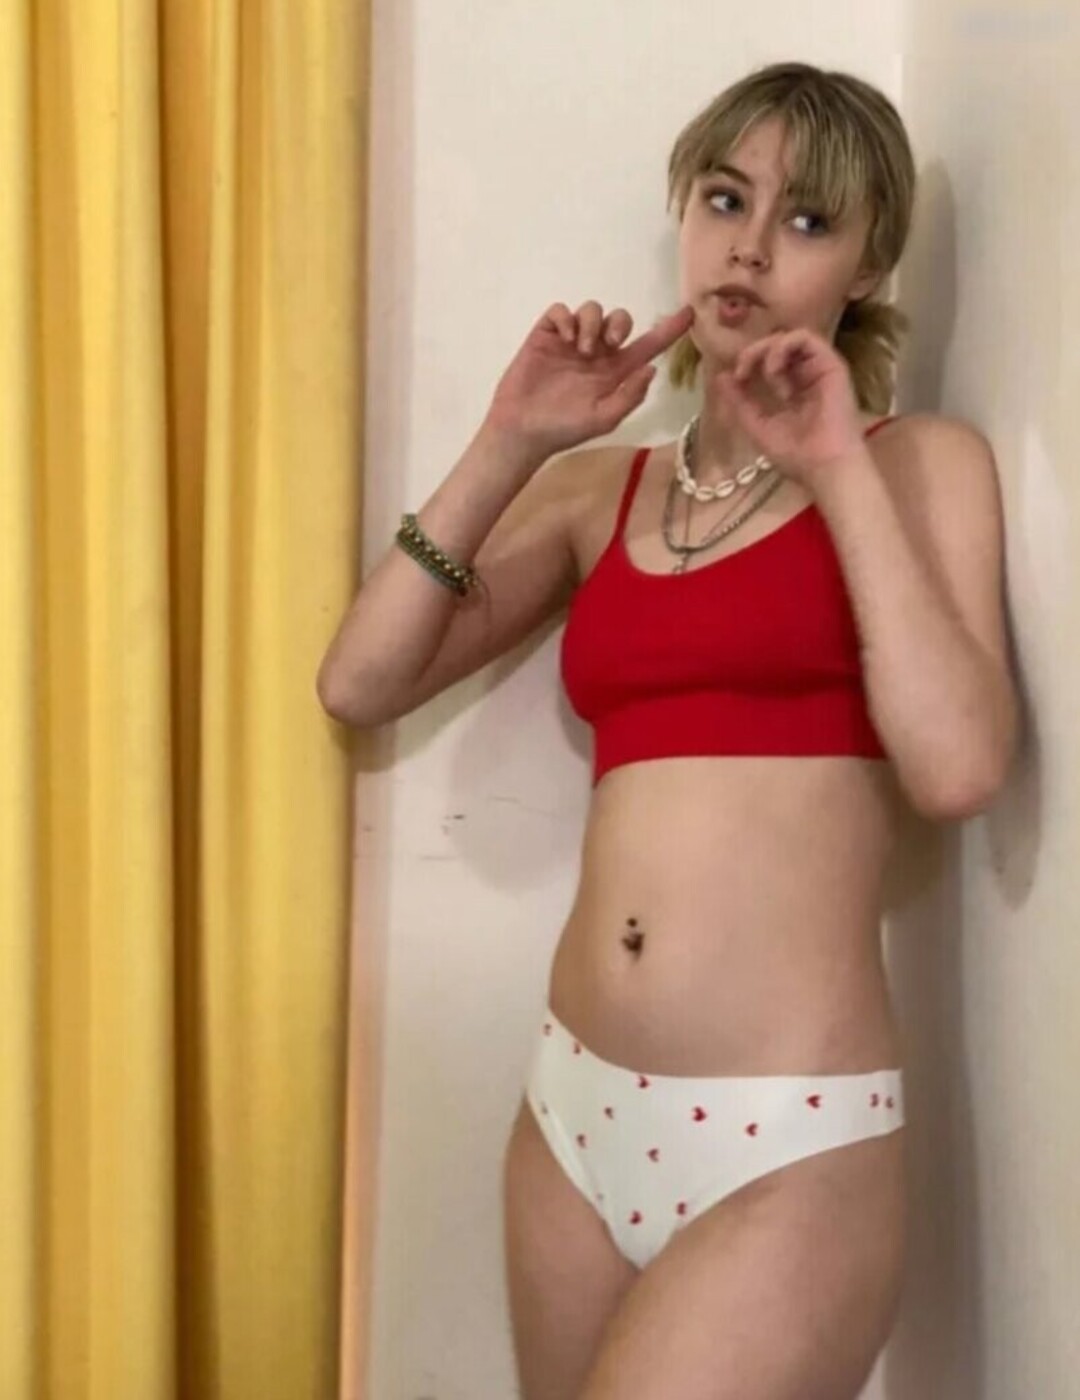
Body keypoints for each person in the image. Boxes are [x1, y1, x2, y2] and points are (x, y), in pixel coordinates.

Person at [317, 61, 1020, 1400]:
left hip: (788, 1142)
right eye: (725, 198)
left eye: (808, 221)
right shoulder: (605, 491)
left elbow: (959, 767)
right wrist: (510, 439)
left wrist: (834, 467)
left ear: (870, 265)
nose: (749, 247)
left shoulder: (919, 466)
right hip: (572, 1116)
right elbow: (359, 680)